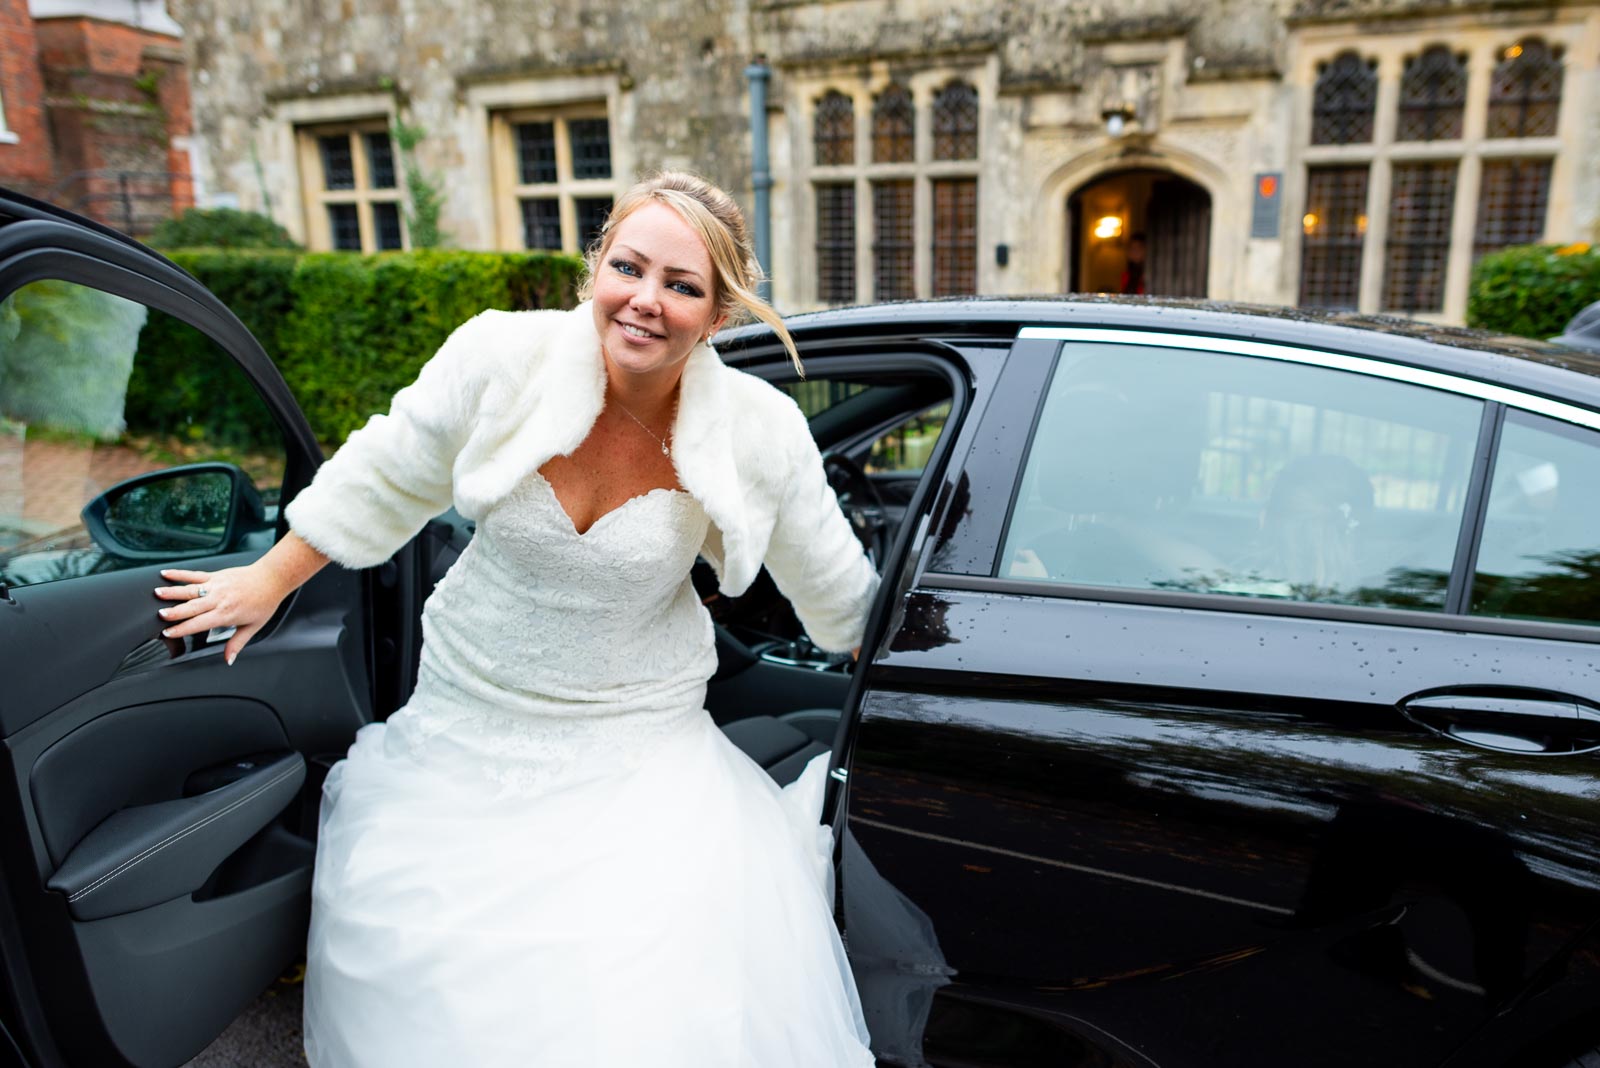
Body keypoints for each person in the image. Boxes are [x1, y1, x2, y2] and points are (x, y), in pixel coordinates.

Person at [150, 172, 880, 1067]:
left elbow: (836, 586)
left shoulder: (760, 431)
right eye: (628, 266)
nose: (646, 301)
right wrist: (268, 578)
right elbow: (388, 467)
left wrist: (931, 651)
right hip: (465, 727)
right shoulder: (500, 357)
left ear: (718, 313)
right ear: (595, 268)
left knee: (628, 1007)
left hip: (639, 747)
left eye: (682, 285)